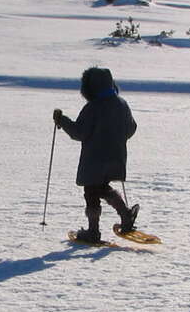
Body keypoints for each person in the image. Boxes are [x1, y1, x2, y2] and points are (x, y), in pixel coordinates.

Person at [53, 66, 138, 243]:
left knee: (92, 190)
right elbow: (131, 128)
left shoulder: (92, 108)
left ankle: (94, 231)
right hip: (116, 155)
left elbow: (79, 132)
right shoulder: (121, 104)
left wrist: (62, 120)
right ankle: (125, 215)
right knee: (101, 187)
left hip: (94, 158)